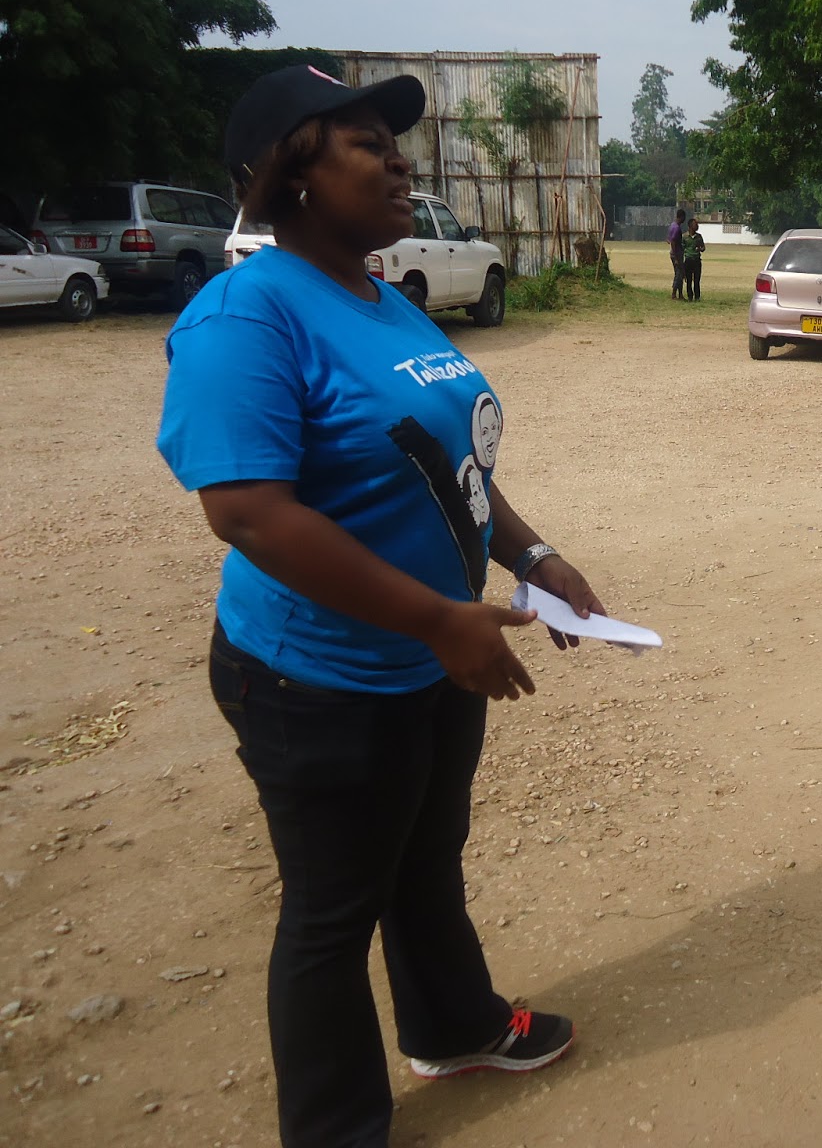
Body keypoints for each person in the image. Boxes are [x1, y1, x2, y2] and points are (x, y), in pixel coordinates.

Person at [156, 64, 608, 1148]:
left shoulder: (383, 297)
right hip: (318, 678)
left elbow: (450, 467)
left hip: (431, 660)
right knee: (330, 913)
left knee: (425, 859)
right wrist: (437, 620)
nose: (401, 161)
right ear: (290, 176)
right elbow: (249, 513)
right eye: (366, 143)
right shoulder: (245, 317)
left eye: (395, 142)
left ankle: (453, 1026)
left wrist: (534, 555)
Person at [682, 217, 705, 300]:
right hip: (688, 260)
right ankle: (690, 296)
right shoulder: (684, 237)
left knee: (697, 280)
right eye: (695, 224)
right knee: (688, 280)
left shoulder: (699, 237)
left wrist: (700, 249)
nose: (697, 226)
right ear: (690, 226)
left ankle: (697, 296)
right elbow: (682, 248)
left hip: (697, 260)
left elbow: (703, 248)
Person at [668, 206, 687, 298]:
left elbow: (669, 239)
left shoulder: (672, 225)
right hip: (677, 254)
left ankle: (680, 294)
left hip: (675, 253)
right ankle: (674, 293)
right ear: (681, 217)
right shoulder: (676, 228)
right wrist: (676, 258)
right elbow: (673, 242)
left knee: (680, 273)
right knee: (679, 274)